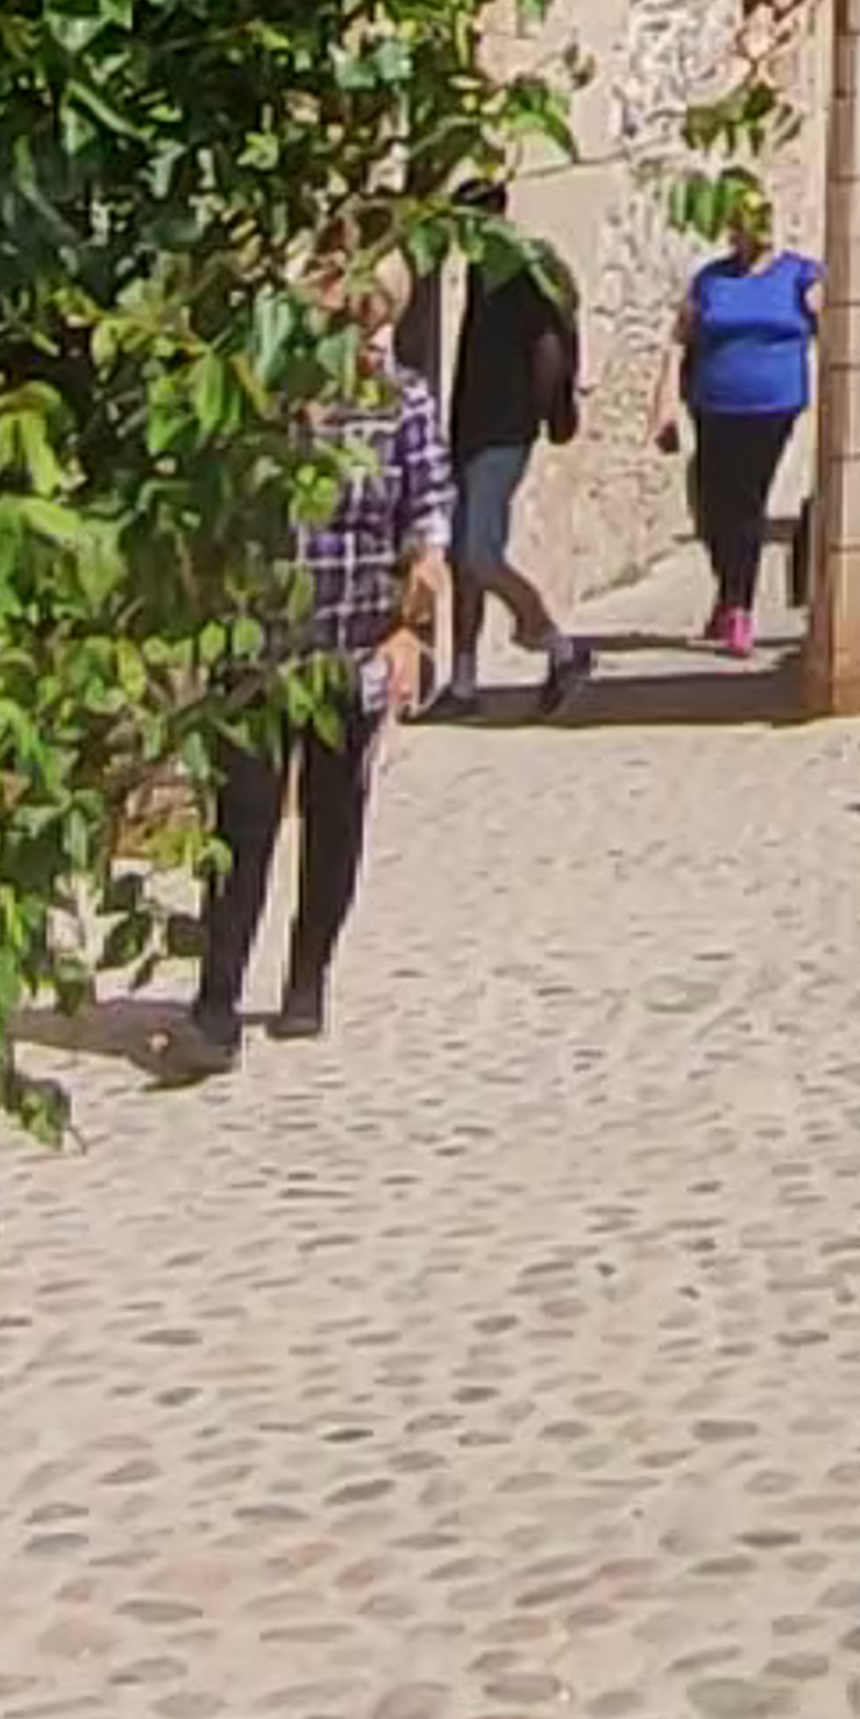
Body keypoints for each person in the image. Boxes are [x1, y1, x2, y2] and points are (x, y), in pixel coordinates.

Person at [165, 253, 449, 1078]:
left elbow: (426, 517)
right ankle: (215, 1005)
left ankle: (307, 973)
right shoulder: (264, 394)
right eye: (352, 316)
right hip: (257, 646)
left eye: (378, 316)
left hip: (351, 642)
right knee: (243, 819)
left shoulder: (405, 400)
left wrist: (410, 629)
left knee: (334, 812)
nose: (368, 334)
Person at [652, 185, 820, 659]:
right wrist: (663, 405)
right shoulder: (710, 280)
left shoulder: (800, 275)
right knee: (709, 504)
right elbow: (680, 341)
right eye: (745, 221)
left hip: (771, 406)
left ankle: (739, 609)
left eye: (762, 219)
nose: (754, 231)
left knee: (745, 503)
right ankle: (728, 590)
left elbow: (833, 325)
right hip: (711, 404)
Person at [443, 195, 597, 710]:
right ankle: (463, 682)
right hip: (472, 427)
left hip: (503, 429)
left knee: (477, 553)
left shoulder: (518, 272)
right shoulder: (482, 269)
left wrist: (550, 410)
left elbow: (547, 347)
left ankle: (558, 646)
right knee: (463, 559)